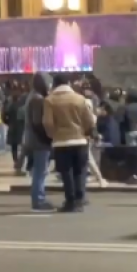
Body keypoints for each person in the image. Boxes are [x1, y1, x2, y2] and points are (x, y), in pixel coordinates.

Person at [42, 74, 95, 213]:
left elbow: (48, 122)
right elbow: (89, 121)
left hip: (61, 142)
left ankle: (70, 201)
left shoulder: (50, 100)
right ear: (69, 83)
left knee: (66, 172)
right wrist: (85, 132)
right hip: (80, 139)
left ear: (55, 84)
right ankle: (79, 199)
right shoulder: (79, 99)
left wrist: (53, 134)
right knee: (79, 171)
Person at [25, 72, 54, 213]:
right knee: (40, 172)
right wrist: (47, 137)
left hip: (33, 140)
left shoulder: (32, 97)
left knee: (39, 171)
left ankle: (39, 198)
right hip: (39, 141)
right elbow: (37, 123)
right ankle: (39, 200)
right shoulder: (38, 99)